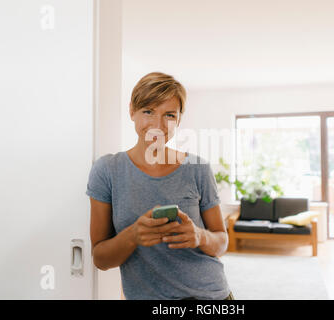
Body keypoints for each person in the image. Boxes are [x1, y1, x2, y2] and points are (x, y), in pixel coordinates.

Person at [86, 72, 233, 300]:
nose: (158, 125)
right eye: (148, 111)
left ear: (179, 120)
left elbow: (222, 243)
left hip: (210, 296)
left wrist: (200, 236)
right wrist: (133, 235)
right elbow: (100, 259)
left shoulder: (198, 168)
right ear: (131, 111)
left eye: (169, 115)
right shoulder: (107, 170)